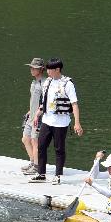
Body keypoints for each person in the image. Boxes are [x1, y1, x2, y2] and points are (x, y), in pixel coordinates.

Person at [30, 57, 83, 185]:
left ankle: (58, 175)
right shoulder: (47, 82)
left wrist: (77, 123)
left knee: (59, 149)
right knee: (41, 146)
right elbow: (45, 101)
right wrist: (38, 113)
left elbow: (74, 104)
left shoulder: (67, 84)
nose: (47, 72)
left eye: (50, 69)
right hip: (47, 121)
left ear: (57, 69)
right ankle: (41, 174)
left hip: (61, 123)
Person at [20, 57, 45, 175]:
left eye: (34, 68)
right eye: (31, 67)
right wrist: (30, 111)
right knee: (25, 139)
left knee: (35, 141)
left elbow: (45, 102)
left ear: (41, 69)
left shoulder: (44, 83)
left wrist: (38, 114)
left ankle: (36, 166)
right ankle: (32, 161)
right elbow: (33, 99)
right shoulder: (33, 82)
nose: (31, 69)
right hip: (31, 116)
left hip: (38, 118)